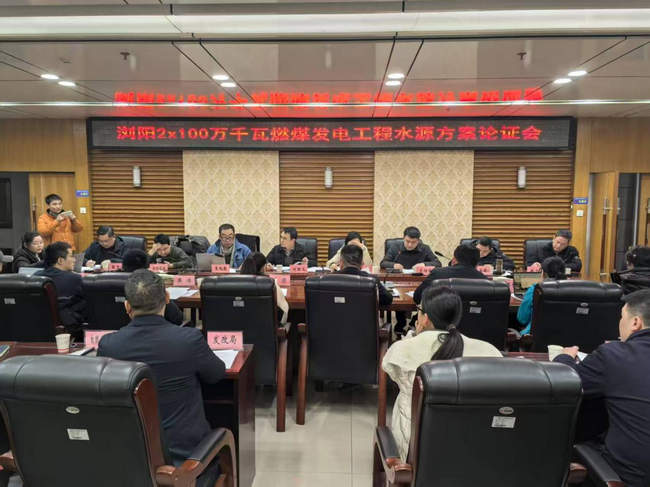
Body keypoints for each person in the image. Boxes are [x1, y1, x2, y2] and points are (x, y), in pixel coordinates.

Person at [97, 270, 225, 486]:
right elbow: (216, 374)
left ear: (127, 306)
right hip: (186, 461)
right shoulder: (188, 339)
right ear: (167, 298)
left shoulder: (109, 345)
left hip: (132, 460)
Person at [383, 285, 502, 460]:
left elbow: (391, 370)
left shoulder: (402, 349)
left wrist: (414, 336)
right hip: (475, 445)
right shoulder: (488, 350)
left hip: (415, 448)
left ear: (425, 318)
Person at [554, 289, 650, 487]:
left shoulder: (614, 355)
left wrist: (564, 357)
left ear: (635, 323)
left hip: (632, 477)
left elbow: (563, 384)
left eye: (622, 317)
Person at [122, 249, 185, 326]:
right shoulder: (151, 284)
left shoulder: (112, 282)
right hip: (160, 331)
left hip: (120, 331)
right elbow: (176, 318)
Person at [34, 241, 86, 331]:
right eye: (71, 256)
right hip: (68, 327)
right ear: (60, 260)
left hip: (39, 326)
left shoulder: (35, 277)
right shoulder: (74, 278)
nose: (74, 260)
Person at [413, 244, 488, 305]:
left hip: (441, 318)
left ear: (454, 260)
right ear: (477, 264)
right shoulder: (485, 281)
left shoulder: (438, 273)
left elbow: (417, 298)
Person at [517, 256, 568, 335]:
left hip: (534, 338)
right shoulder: (572, 290)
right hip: (566, 338)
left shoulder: (535, 289)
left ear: (543, 273)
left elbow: (522, 319)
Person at [240, 252, 289, 324]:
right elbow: (284, 310)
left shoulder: (235, 284)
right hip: (267, 327)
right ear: (263, 268)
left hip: (240, 326)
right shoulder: (270, 284)